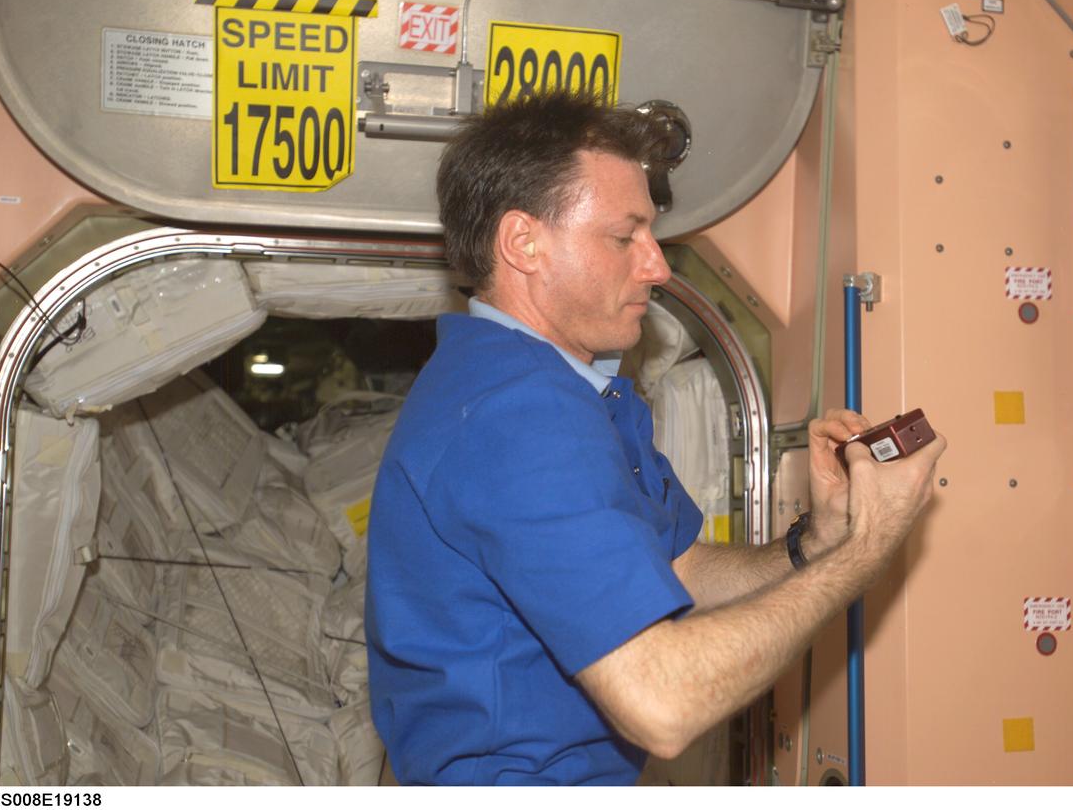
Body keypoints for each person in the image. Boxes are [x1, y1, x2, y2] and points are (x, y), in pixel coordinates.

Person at [365, 91, 946, 785]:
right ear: (523, 242)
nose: (658, 266)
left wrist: (817, 543)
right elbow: (661, 704)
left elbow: (681, 571)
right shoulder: (514, 417)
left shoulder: (577, 391)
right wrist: (871, 548)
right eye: (624, 236)